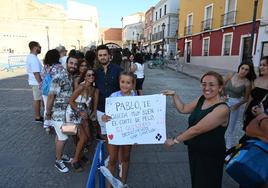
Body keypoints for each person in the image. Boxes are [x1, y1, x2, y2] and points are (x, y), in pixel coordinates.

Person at [163, 71, 230, 188]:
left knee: (208, 183)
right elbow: (183, 109)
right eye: (204, 84)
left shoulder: (222, 109)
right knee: (197, 181)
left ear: (220, 88)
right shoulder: (201, 99)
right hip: (195, 149)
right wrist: (174, 95)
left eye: (211, 84)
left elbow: (197, 129)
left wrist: (175, 140)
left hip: (210, 154)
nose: (207, 88)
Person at [102, 71, 136, 188]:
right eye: (122, 82)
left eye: (128, 83)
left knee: (125, 159)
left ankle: (122, 183)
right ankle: (109, 186)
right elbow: (106, 114)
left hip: (128, 134)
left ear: (132, 84)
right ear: (119, 82)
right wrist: (104, 117)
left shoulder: (135, 98)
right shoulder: (113, 96)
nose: (125, 85)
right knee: (112, 160)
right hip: (114, 133)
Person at [45, 55, 78, 173]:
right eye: (71, 63)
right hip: (58, 114)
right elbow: (50, 96)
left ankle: (60, 155)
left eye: (75, 64)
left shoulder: (70, 77)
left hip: (67, 114)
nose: (73, 66)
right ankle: (58, 161)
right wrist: (48, 113)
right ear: (66, 63)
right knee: (63, 138)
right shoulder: (59, 77)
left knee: (61, 136)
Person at [67, 68, 97, 171]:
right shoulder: (81, 87)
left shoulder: (92, 88)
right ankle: (75, 161)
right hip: (73, 113)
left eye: (92, 75)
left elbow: (86, 105)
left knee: (87, 137)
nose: (91, 77)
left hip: (83, 114)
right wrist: (80, 112)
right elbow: (70, 101)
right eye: (88, 75)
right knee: (83, 137)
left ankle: (79, 155)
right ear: (84, 77)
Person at [224, 61, 256, 149]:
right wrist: (222, 96)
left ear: (249, 72)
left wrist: (237, 105)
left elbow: (246, 99)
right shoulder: (230, 75)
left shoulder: (247, 83)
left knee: (230, 127)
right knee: (218, 123)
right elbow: (220, 86)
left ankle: (228, 148)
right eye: (242, 68)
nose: (243, 71)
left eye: (246, 70)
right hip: (223, 101)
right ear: (239, 68)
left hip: (235, 104)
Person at [95, 44, 122, 137]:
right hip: (101, 108)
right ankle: (110, 151)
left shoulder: (118, 69)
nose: (103, 57)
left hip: (116, 108)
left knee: (118, 133)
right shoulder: (95, 72)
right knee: (106, 135)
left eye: (105, 55)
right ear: (98, 57)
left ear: (109, 55)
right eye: (100, 55)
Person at [241, 56, 268, 142]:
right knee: (247, 132)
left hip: (261, 113)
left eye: (264, 65)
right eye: (260, 65)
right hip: (250, 111)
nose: (261, 67)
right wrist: (245, 111)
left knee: (255, 137)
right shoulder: (256, 80)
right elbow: (250, 97)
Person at [41, 49, 61, 132]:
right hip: (54, 90)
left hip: (45, 89)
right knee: (54, 107)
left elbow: (42, 76)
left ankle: (46, 125)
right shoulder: (58, 67)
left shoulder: (45, 66)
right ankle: (53, 124)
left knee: (46, 106)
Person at [26, 41, 43, 122]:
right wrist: (40, 83)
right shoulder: (33, 58)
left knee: (38, 99)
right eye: (40, 47)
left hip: (35, 82)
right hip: (36, 82)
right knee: (37, 99)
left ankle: (38, 115)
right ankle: (37, 116)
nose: (40, 48)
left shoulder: (31, 57)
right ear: (35, 47)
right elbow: (36, 72)